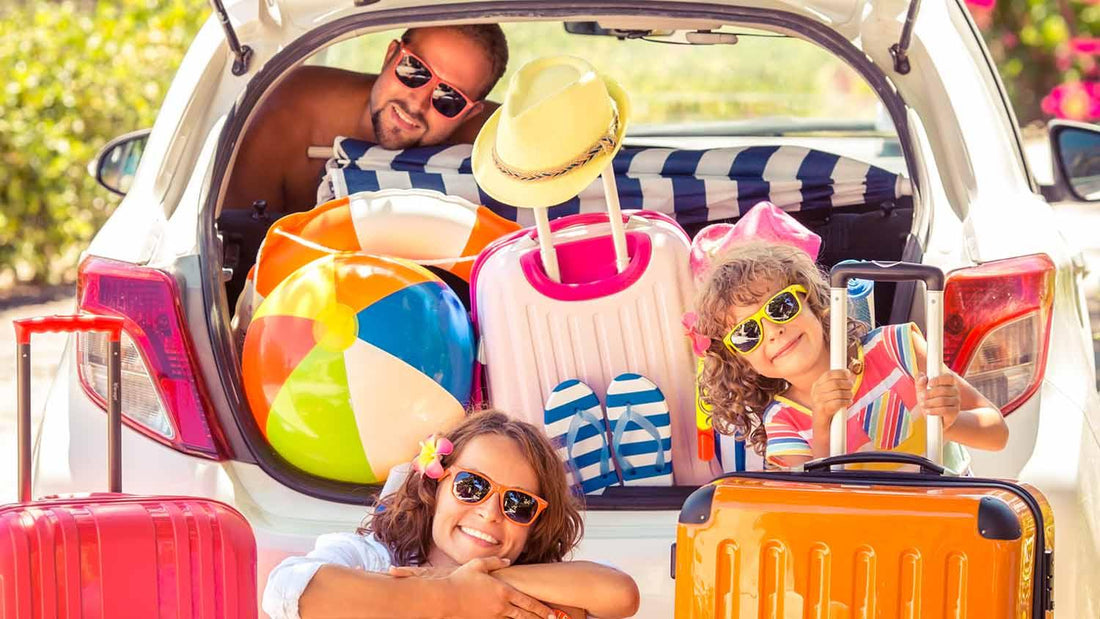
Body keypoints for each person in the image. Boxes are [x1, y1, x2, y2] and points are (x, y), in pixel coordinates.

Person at [262, 410, 640, 619]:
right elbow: (287, 591)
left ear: (536, 525)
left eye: (518, 504)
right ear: (435, 485)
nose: (491, 512)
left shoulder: (533, 587)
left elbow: (619, 592)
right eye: (472, 486)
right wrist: (450, 595)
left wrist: (479, 583)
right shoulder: (370, 558)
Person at [689, 241, 1009, 470]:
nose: (773, 331)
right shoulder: (783, 422)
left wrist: (950, 422)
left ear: (813, 301)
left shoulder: (898, 347)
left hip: (949, 528)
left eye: (781, 307)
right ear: (739, 360)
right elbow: (813, 507)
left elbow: (997, 433)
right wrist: (823, 427)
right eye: (748, 333)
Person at [225, 25, 508, 215]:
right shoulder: (286, 112)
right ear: (390, 55)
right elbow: (237, 243)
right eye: (414, 71)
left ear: (471, 113)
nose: (417, 103)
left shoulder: (501, 145)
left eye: (449, 98)